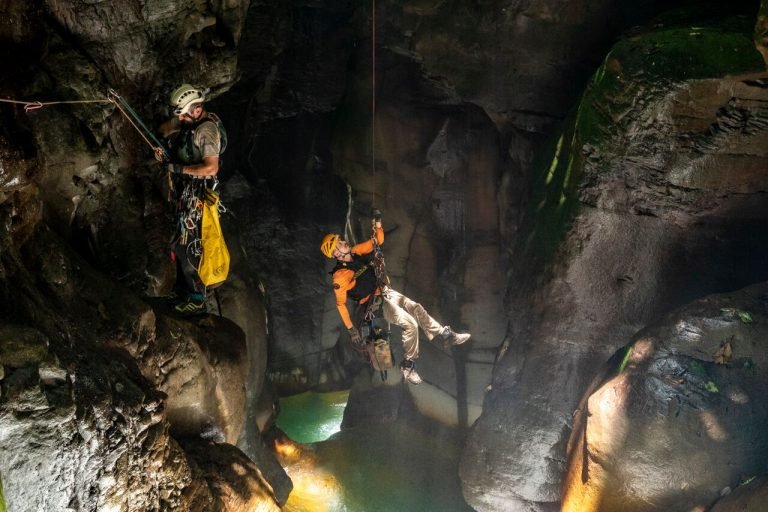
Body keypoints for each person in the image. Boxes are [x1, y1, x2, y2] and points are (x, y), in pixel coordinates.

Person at [321, 213, 471, 384]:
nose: (343, 242)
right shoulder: (340, 276)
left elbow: (378, 240)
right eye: (339, 243)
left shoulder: (355, 252)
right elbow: (340, 304)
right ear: (335, 253)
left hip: (385, 292)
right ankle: (408, 365)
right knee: (410, 324)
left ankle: (445, 335)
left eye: (341, 240)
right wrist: (351, 329)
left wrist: (377, 224)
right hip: (374, 304)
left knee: (416, 307)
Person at [158, 83, 224, 315]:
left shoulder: (206, 130)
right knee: (178, 241)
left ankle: (197, 297)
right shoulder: (192, 122)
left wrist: (178, 169)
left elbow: (211, 168)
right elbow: (167, 127)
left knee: (190, 245)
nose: (183, 118)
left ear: (197, 110)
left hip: (198, 197)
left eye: (185, 114)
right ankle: (183, 288)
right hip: (187, 194)